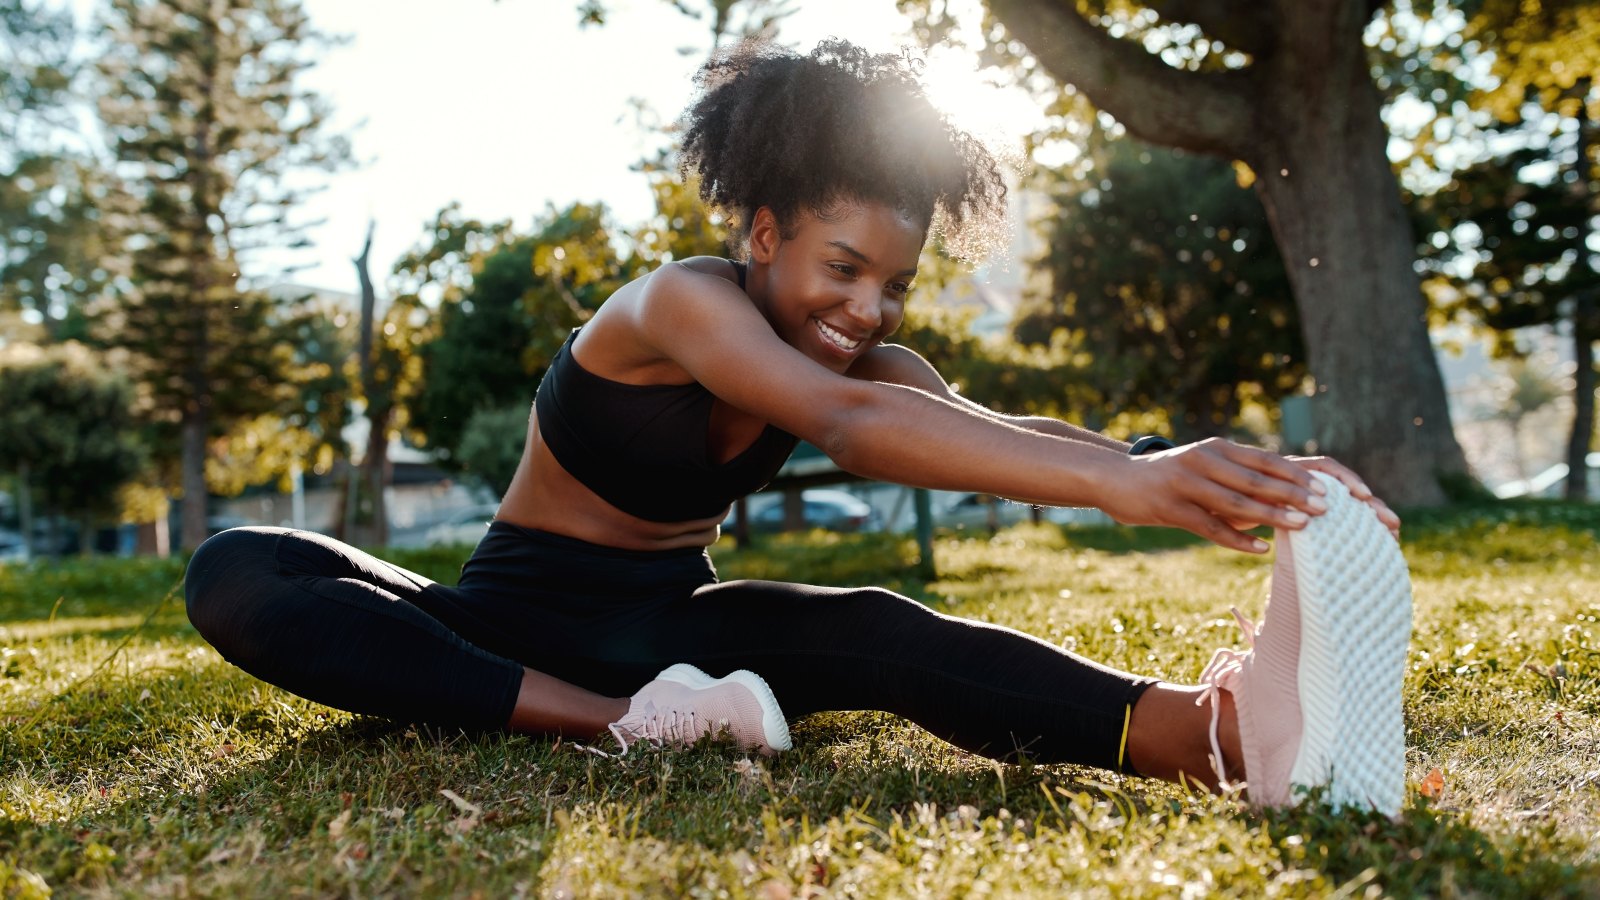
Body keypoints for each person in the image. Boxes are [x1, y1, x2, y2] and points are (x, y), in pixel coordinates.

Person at [186, 39, 1413, 811]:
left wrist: (1188, 467)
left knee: (879, 629)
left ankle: (1220, 735)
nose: (863, 308)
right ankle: (624, 730)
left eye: (891, 283)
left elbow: (992, 427)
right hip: (504, 628)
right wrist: (1125, 493)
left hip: (678, 635)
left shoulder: (875, 355)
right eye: (840, 266)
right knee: (240, 569)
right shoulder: (680, 302)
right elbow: (841, 421)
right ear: (763, 232)